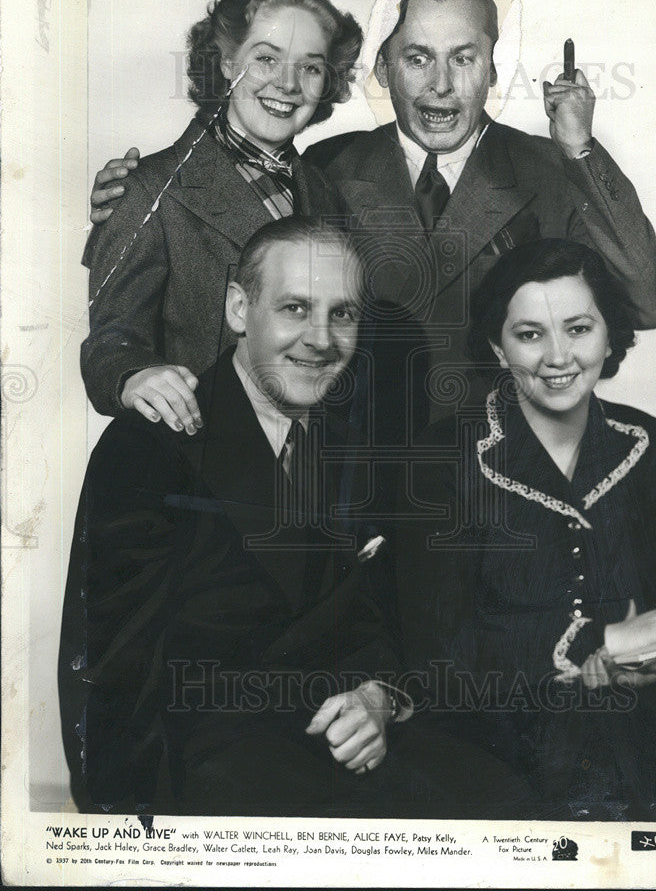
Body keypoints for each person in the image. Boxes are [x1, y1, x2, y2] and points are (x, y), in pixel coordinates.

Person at [58, 217, 539, 818]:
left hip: (350, 739)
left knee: (511, 802)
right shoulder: (150, 446)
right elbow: (115, 679)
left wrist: (379, 696)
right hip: (208, 770)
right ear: (239, 308)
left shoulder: (353, 445)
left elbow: (385, 620)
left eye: (342, 314)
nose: (321, 339)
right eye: (294, 308)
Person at [89, 0, 656, 440]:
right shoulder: (326, 167)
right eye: (417, 58)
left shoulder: (552, 169)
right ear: (382, 69)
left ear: (493, 69)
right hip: (345, 486)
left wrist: (581, 151)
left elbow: (644, 301)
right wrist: (135, 191)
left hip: (508, 473)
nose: (440, 84)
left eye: (463, 59)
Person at [394, 239, 656, 821]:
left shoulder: (654, 444)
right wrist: (597, 641)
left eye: (579, 328)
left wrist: (654, 662)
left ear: (610, 337)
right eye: (530, 334)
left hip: (624, 714)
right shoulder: (439, 456)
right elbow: (436, 655)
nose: (558, 357)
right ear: (496, 346)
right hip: (489, 727)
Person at [81, 0, 362, 428]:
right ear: (227, 62)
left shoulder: (327, 195)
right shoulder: (148, 188)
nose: (287, 83)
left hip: (307, 460)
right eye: (266, 59)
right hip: (196, 459)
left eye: (310, 68)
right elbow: (111, 338)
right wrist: (134, 376)